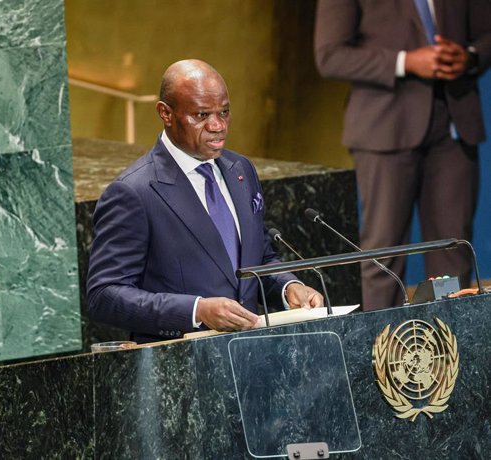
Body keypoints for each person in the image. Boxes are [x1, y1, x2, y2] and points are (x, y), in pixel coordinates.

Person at [87, 59, 323, 343]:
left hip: (251, 357)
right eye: (201, 115)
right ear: (166, 113)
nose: (217, 125)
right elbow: (104, 295)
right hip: (181, 367)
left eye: (224, 112)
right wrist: (197, 310)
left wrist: (288, 287)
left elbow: (257, 258)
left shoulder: (241, 170)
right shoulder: (134, 192)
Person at [314, 0, 491, 310]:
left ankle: (444, 348)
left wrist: (470, 57)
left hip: (453, 126)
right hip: (385, 127)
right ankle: (386, 352)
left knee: (451, 253)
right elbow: (330, 56)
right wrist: (404, 62)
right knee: (383, 257)